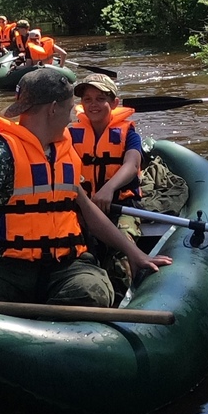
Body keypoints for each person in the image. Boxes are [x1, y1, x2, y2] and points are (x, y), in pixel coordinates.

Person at [0, 68, 172, 311]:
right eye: (71, 108)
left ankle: (35, 328)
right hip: (9, 271)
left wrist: (135, 254)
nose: (74, 115)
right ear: (53, 109)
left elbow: (88, 211)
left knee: (92, 290)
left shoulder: (64, 151)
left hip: (65, 267)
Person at [68, 74, 145, 300]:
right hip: (84, 206)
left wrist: (109, 189)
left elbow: (132, 164)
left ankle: (126, 294)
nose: (93, 104)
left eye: (100, 98)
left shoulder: (128, 133)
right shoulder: (70, 134)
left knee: (121, 253)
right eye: (88, 99)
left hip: (121, 205)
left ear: (114, 103)